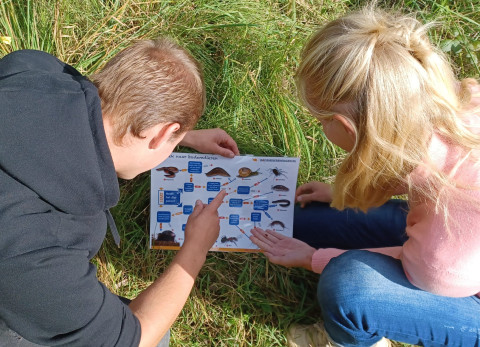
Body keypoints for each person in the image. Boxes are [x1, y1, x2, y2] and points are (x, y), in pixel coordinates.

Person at [250, 6, 480, 347]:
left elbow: (428, 271)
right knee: (304, 218)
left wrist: (315, 258)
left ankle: (361, 336)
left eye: (320, 121)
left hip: (461, 285)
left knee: (348, 284)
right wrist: (342, 194)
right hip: (452, 246)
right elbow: (419, 166)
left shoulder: (443, 252)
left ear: (346, 128)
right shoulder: (451, 107)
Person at [0, 38, 239, 346]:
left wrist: (184, 137)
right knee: (159, 334)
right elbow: (132, 339)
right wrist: (195, 247)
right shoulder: (38, 252)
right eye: (172, 139)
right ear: (160, 134)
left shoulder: (31, 69)